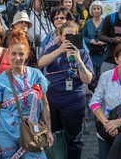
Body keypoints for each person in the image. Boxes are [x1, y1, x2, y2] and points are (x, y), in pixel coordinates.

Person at [0, 29, 53, 158]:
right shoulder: (0, 81)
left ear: (27, 54)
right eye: (13, 53)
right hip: (6, 134)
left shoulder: (37, 76)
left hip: (32, 131)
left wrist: (49, 131)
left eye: (21, 54)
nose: (17, 58)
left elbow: (45, 105)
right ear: (7, 54)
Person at [38, 21, 93, 159]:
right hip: (53, 102)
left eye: (72, 35)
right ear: (60, 36)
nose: (68, 38)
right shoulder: (53, 48)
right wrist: (60, 50)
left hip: (73, 103)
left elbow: (87, 79)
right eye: (65, 35)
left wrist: (79, 60)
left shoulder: (82, 52)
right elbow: (40, 63)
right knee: (54, 136)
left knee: (73, 139)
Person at [82, 0, 106, 81]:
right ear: (91, 10)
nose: (96, 10)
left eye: (98, 8)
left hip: (102, 53)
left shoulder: (106, 22)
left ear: (101, 10)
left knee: (101, 74)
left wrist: (103, 42)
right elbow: (82, 36)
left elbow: (109, 36)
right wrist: (90, 41)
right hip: (90, 52)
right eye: (94, 8)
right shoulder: (88, 23)